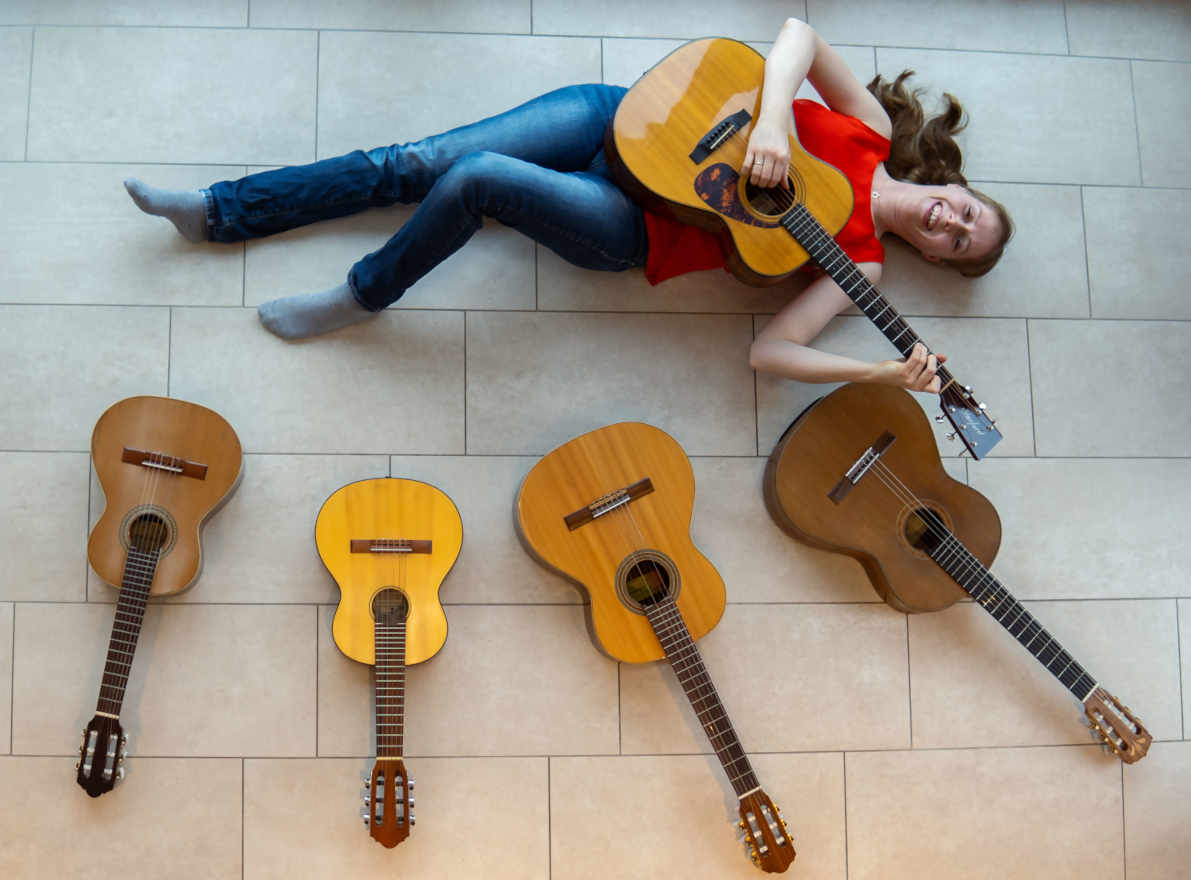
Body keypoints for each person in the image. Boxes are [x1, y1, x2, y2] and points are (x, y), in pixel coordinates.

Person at [125, 19, 1010, 394]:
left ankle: (363, 294)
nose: (953, 224)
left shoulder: (859, 264)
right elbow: (795, 34)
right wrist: (775, 118)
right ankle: (218, 212)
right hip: (624, 118)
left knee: (473, 181)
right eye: (968, 212)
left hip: (630, 226)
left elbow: (768, 351)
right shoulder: (861, 128)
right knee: (416, 160)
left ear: (936, 261)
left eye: (961, 244)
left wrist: (881, 375)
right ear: (953, 189)